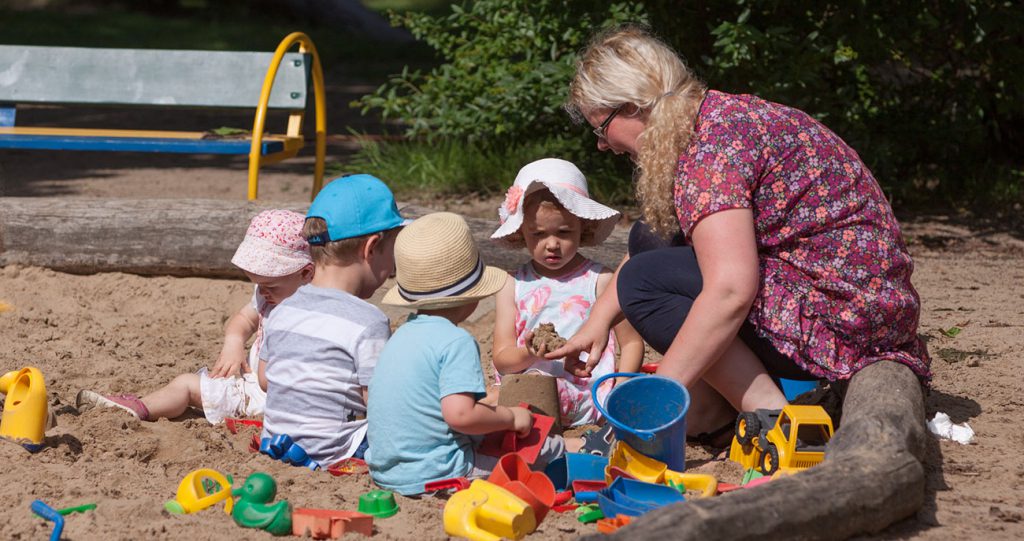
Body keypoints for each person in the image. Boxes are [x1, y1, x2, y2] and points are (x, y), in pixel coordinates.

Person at [553, 25, 931, 446]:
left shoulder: (710, 151)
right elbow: (659, 240)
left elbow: (731, 289)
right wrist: (599, 320)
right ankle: (718, 405)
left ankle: (774, 416)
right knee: (649, 238)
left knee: (645, 283)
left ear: (632, 106)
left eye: (600, 129)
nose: (603, 145)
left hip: (845, 321)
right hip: (860, 300)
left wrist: (654, 404)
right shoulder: (716, 116)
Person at [366, 212, 584, 495]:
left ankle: (561, 447)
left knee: (490, 431)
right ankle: (574, 451)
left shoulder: (401, 335)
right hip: (441, 473)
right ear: (472, 294)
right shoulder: (455, 341)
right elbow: (460, 415)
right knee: (529, 456)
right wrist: (509, 417)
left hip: (388, 471)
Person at [76, 209, 313, 423]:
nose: (262, 291)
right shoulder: (269, 293)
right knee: (187, 383)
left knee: (189, 386)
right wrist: (234, 342)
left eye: (270, 285)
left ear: (305, 273)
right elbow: (244, 319)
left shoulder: (313, 312)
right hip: (249, 388)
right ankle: (137, 407)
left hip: (284, 402)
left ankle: (142, 408)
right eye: (257, 284)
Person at [258, 174, 409, 466]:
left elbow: (266, 380)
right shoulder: (369, 321)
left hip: (277, 445)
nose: (392, 265)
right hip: (335, 452)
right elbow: (378, 404)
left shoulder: (283, 310)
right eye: (393, 250)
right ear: (372, 247)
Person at [490, 158, 644, 428]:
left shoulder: (599, 280)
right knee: (493, 397)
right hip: (524, 385)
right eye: (538, 234)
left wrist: (621, 389)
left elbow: (630, 343)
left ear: (583, 227)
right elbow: (503, 360)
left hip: (584, 392)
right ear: (520, 233)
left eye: (564, 232)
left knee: (505, 401)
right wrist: (530, 353)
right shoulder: (511, 284)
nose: (552, 245)